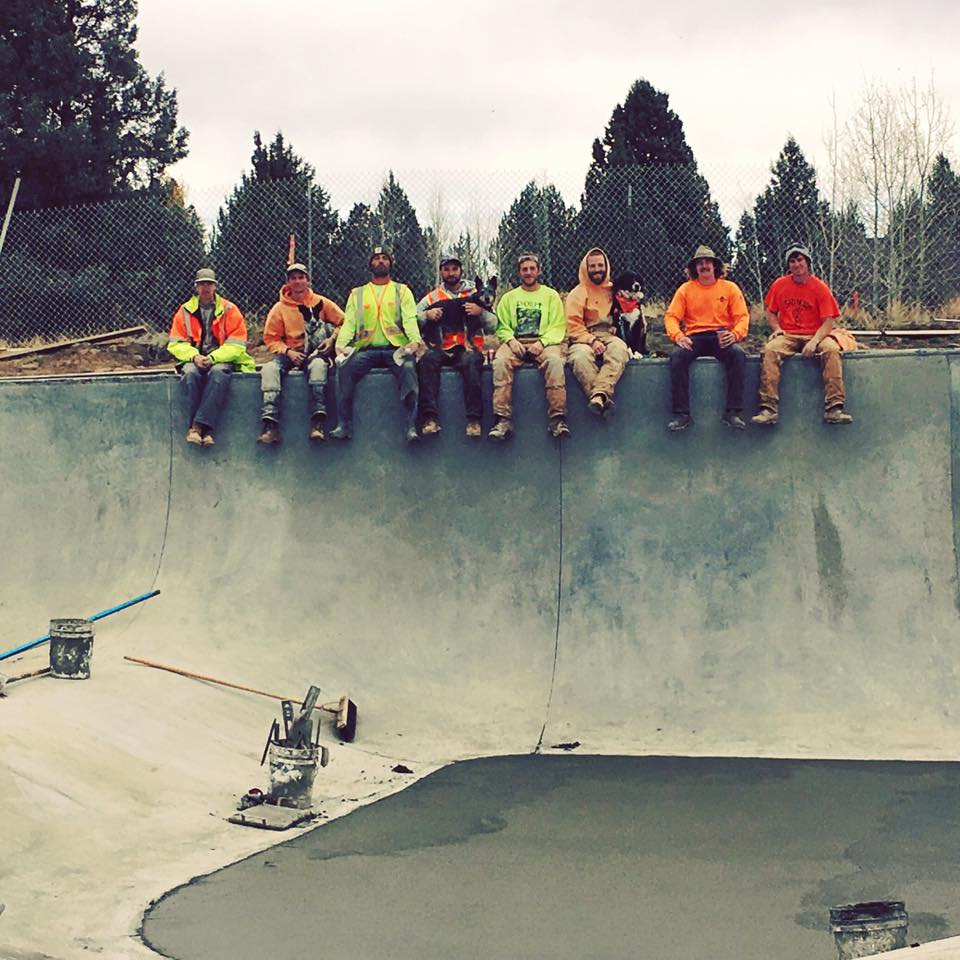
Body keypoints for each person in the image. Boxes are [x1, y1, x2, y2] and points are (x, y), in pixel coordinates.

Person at [752, 245, 856, 426]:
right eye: (792, 261)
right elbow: (770, 311)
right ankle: (769, 409)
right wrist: (776, 328)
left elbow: (829, 321)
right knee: (770, 350)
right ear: (788, 266)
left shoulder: (819, 287)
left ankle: (834, 408)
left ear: (807, 263)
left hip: (815, 334)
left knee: (831, 350)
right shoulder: (780, 285)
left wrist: (815, 341)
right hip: (789, 334)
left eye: (800, 260)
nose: (796, 264)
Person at [331, 246, 423, 443]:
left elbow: (410, 319)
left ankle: (411, 427)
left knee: (409, 369)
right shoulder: (357, 293)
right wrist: (340, 345)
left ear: (390, 263)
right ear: (370, 264)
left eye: (384, 258)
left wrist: (415, 341)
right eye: (376, 258)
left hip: (395, 350)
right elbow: (350, 322)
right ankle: (343, 425)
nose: (380, 261)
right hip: (367, 350)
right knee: (344, 369)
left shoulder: (402, 291)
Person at [256, 263, 344, 445]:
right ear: (288, 282)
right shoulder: (279, 308)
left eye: (301, 277)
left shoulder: (322, 302)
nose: (297, 281)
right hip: (289, 352)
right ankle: (270, 425)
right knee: (269, 369)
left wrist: (331, 340)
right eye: (293, 278)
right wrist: (287, 352)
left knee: (319, 366)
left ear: (308, 280)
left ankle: (317, 423)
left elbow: (344, 322)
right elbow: (271, 338)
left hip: (314, 352)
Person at [663, 245, 749, 432]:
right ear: (694, 268)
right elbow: (671, 317)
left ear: (715, 266)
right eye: (700, 263)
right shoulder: (685, 290)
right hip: (695, 337)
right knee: (677, 357)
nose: (704, 266)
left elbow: (742, 317)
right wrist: (678, 336)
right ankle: (682, 414)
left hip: (721, 335)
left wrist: (734, 334)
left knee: (738, 355)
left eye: (707, 262)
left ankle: (732, 412)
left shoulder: (730, 288)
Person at [167, 267, 255, 446]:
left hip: (220, 359)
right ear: (196, 287)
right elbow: (175, 344)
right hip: (194, 359)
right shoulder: (184, 311)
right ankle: (205, 431)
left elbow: (237, 345)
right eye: (202, 284)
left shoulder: (230, 310)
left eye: (209, 283)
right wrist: (194, 356)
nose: (205, 287)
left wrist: (213, 358)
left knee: (219, 373)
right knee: (190, 374)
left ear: (215, 286)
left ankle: (197, 427)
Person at [416, 253, 496, 438]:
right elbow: (413, 320)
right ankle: (430, 419)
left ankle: (474, 420)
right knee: (426, 361)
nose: (451, 273)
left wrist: (481, 312)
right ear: (441, 272)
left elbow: (493, 326)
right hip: (440, 347)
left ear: (461, 271)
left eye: (454, 269)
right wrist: (426, 316)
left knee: (471, 363)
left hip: (468, 348)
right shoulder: (432, 297)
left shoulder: (478, 293)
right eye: (446, 269)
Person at [489, 253, 569, 440]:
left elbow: (558, 326)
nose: (528, 272)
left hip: (544, 342)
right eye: (524, 269)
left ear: (539, 271)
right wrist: (511, 341)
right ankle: (503, 420)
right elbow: (501, 326)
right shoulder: (509, 298)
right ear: (519, 272)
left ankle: (557, 419)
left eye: (532, 268)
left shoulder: (551, 296)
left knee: (555, 362)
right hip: (515, 342)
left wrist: (542, 343)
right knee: (500, 362)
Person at [565, 247, 631, 418]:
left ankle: (598, 396)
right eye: (592, 266)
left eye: (600, 265)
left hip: (610, 335)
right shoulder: (577, 293)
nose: (597, 270)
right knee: (579, 358)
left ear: (606, 266)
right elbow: (573, 325)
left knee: (619, 349)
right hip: (583, 338)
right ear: (586, 268)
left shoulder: (614, 290)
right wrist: (592, 340)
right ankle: (601, 396)